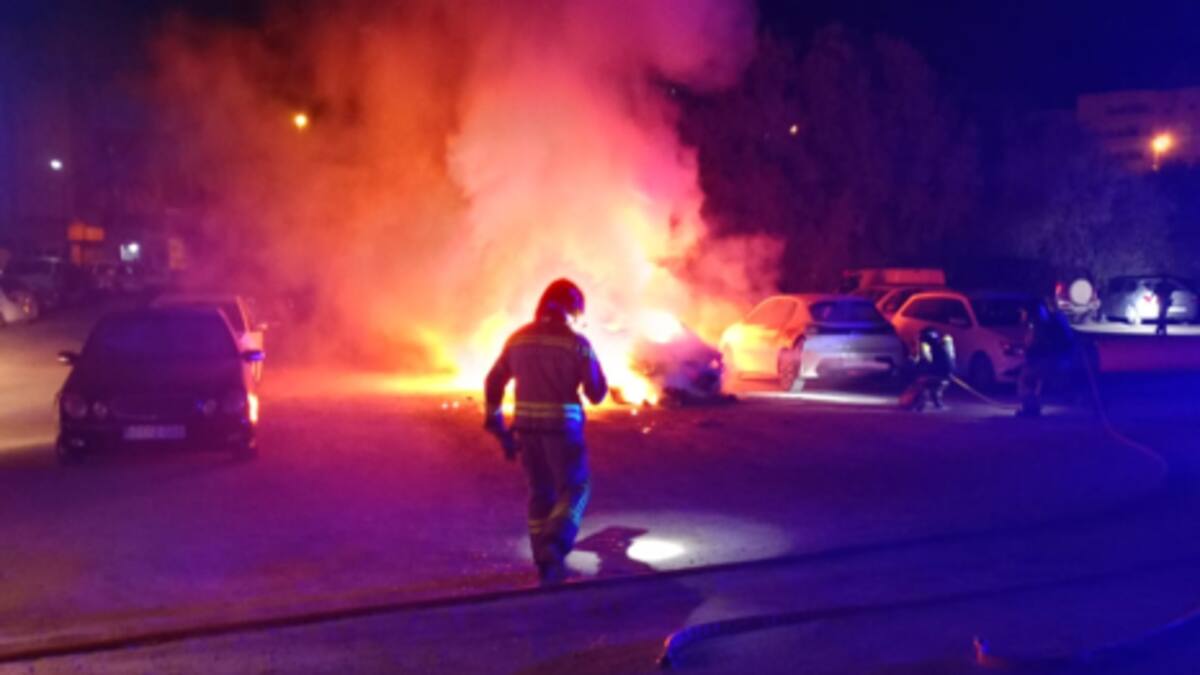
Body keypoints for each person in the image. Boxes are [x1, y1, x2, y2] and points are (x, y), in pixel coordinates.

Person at [484, 279, 608, 584]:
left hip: (526, 430)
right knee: (576, 488)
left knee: (540, 492)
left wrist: (495, 420)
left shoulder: (517, 339)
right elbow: (596, 393)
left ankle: (544, 560)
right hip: (563, 429)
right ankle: (556, 541)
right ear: (572, 310)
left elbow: (493, 380)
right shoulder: (576, 343)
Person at [1017, 303, 1074, 417]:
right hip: (1048, 358)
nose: (1021, 316)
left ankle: (1029, 409)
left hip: (1036, 358)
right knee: (1035, 384)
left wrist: (1026, 348)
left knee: (1026, 382)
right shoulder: (1048, 322)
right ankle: (1034, 408)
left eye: (1022, 313)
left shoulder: (1034, 324)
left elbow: (1030, 341)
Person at [899, 326, 955, 411]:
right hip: (947, 375)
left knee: (921, 382)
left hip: (941, 374)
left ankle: (919, 404)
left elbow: (930, 364)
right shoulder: (940, 345)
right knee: (931, 382)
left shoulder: (936, 348)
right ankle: (937, 402)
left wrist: (917, 367)